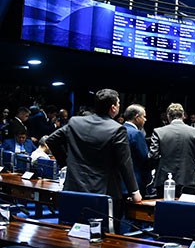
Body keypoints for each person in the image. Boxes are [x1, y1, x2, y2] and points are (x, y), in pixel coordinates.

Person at [46, 89, 141, 230]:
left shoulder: (75, 122)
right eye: (119, 103)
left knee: (72, 232)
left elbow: (51, 140)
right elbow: (125, 163)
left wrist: (64, 163)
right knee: (103, 239)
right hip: (103, 194)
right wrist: (134, 191)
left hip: (74, 188)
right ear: (113, 108)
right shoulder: (117, 130)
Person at [149, 103, 195, 195]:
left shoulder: (158, 132)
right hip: (189, 178)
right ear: (183, 115)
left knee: (165, 207)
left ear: (168, 116)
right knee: (188, 208)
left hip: (164, 177)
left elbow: (153, 155)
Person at [122, 104, 149, 194]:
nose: (145, 120)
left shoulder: (117, 129)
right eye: (144, 117)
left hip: (115, 181)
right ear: (137, 117)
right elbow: (144, 159)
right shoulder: (136, 134)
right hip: (134, 182)